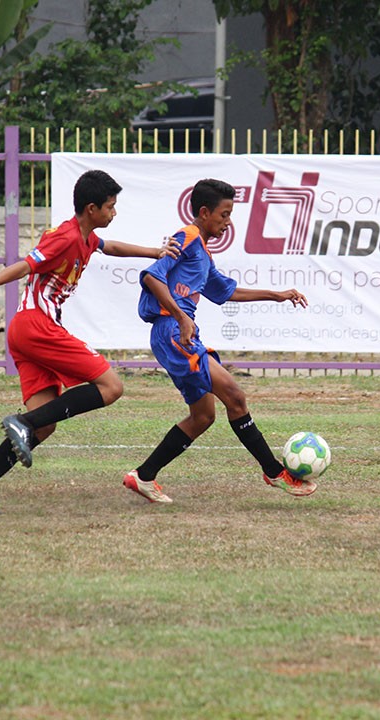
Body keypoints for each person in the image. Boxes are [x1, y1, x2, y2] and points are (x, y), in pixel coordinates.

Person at [0, 169, 178, 515]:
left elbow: (110, 246)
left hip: (29, 331)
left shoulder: (86, 237)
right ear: (91, 208)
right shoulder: (66, 238)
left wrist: (154, 252)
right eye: (110, 207)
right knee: (112, 386)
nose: (114, 213)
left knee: (46, 424)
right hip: (34, 326)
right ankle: (21, 423)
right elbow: (25, 265)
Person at [123, 178, 313, 504]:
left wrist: (276, 295)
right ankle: (274, 471)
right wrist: (183, 318)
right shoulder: (188, 236)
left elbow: (226, 292)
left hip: (177, 332)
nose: (228, 222)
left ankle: (143, 476)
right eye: (224, 215)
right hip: (173, 332)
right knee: (235, 396)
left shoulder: (203, 253)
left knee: (203, 417)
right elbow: (152, 276)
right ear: (204, 212)